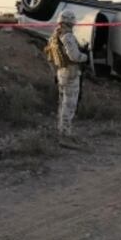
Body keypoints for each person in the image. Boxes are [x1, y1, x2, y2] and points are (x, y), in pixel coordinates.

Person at [44, 10, 90, 146]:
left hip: (61, 72)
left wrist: (55, 72)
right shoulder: (67, 36)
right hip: (71, 72)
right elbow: (74, 56)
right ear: (70, 22)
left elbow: (50, 57)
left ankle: (62, 132)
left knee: (62, 104)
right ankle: (65, 135)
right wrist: (86, 57)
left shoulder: (53, 36)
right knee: (69, 105)